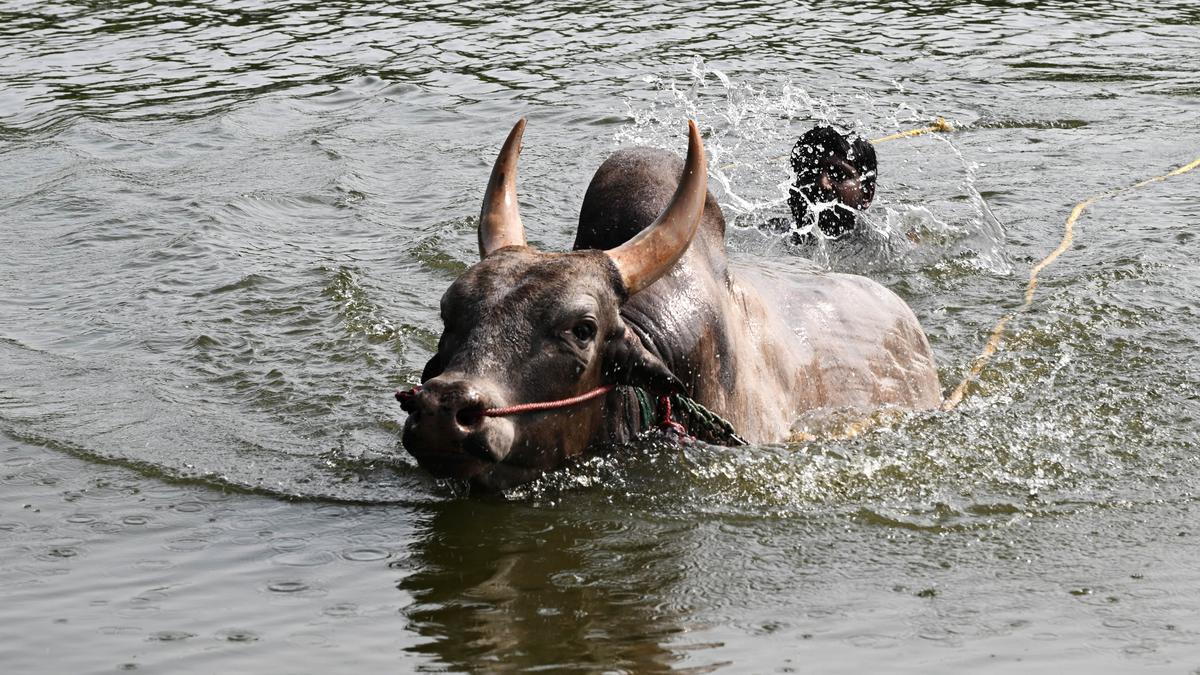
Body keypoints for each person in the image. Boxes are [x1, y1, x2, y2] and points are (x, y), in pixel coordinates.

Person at [781, 125, 878, 240]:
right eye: (810, 173)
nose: (823, 184)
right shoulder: (768, 235)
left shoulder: (889, 251)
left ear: (867, 194)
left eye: (838, 174)